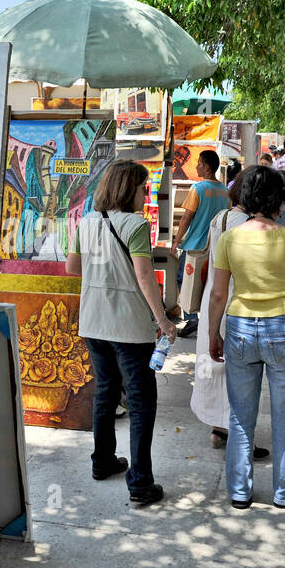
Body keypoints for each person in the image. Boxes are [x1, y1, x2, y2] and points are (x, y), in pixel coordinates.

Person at [208, 166, 285, 509]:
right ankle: (284, 493)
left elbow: (218, 294)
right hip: (284, 330)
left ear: (245, 198)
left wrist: (212, 335)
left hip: (240, 328)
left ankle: (239, 492)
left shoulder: (229, 238)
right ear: (279, 199)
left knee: (240, 417)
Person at [67, 159, 177, 507]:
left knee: (105, 393)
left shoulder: (85, 222)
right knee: (141, 401)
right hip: (129, 325)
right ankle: (141, 482)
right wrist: (164, 320)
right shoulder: (136, 225)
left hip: (93, 321)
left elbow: (73, 268)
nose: (146, 193)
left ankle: (102, 461)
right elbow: (145, 278)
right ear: (129, 188)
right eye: (143, 187)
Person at [190, 168, 270, 459]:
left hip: (215, 303)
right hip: (239, 305)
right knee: (242, 376)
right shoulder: (252, 226)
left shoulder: (220, 218)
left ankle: (217, 429)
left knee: (216, 371)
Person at [172, 149, 228, 338]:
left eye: (199, 163)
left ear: (207, 166)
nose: (196, 166)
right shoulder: (226, 191)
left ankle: (192, 318)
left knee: (185, 280)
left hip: (195, 245)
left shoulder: (198, 188)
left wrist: (176, 241)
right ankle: (207, 317)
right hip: (217, 246)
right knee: (210, 283)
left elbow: (187, 217)